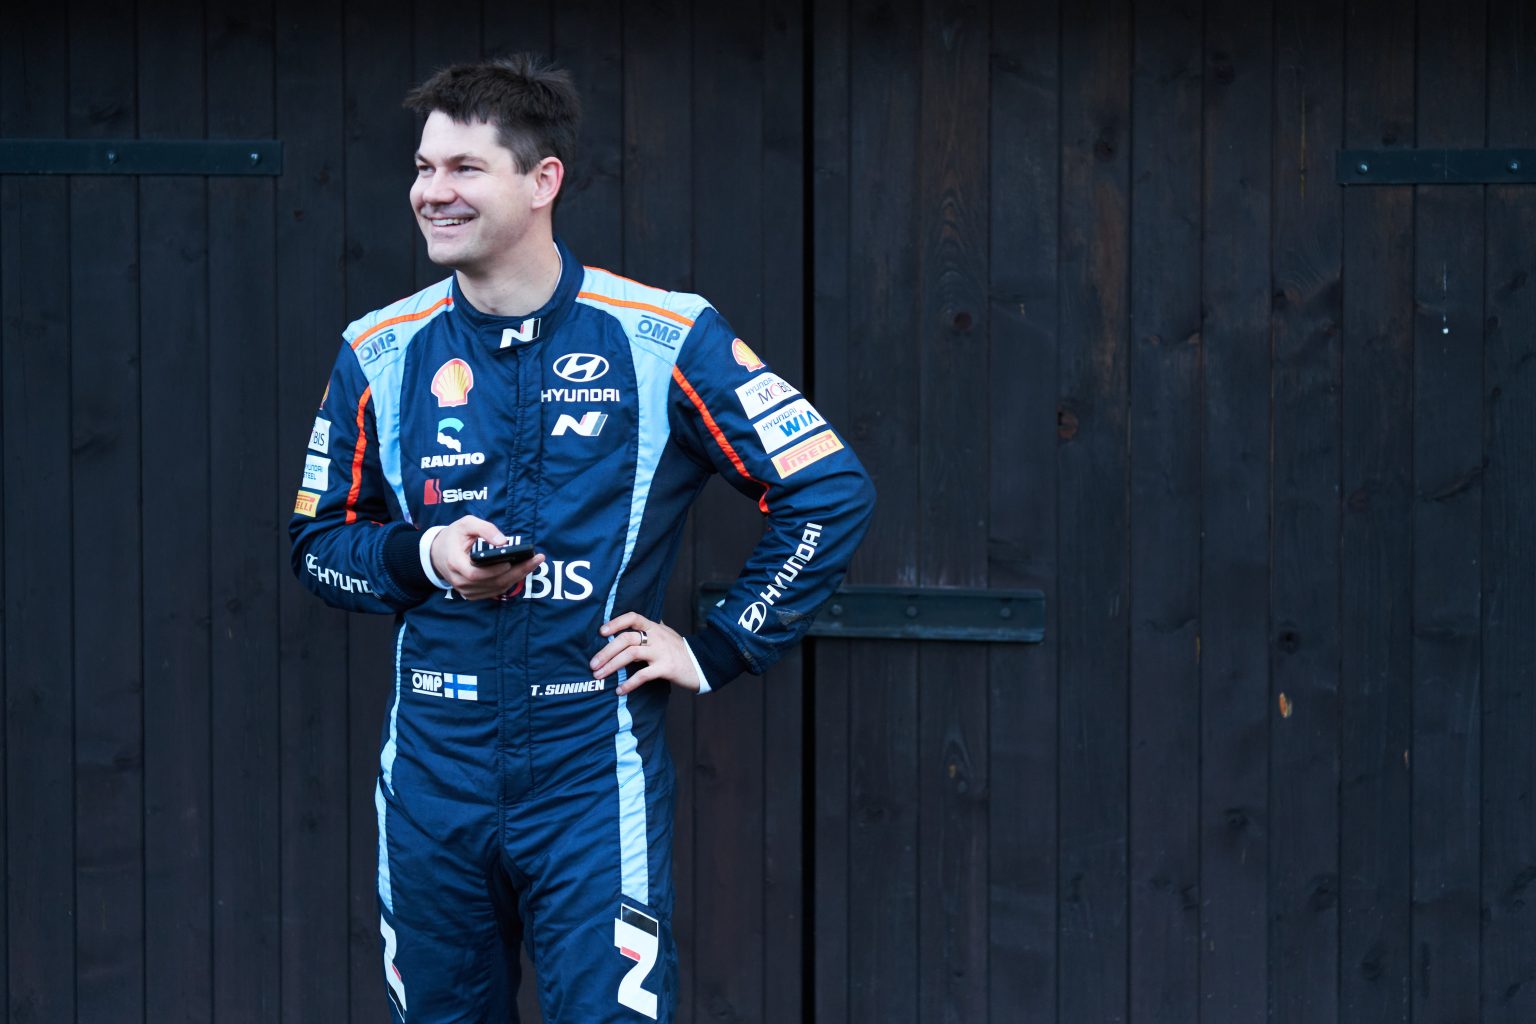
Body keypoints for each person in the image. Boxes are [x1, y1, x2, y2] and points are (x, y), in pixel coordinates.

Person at [288, 54, 874, 1023]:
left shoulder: (664, 336)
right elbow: (317, 546)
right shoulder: (377, 349)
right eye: (425, 168)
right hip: (433, 773)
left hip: (589, 772)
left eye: (465, 168)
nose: (432, 191)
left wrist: (719, 646)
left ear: (542, 180)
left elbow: (828, 489)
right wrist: (423, 556)